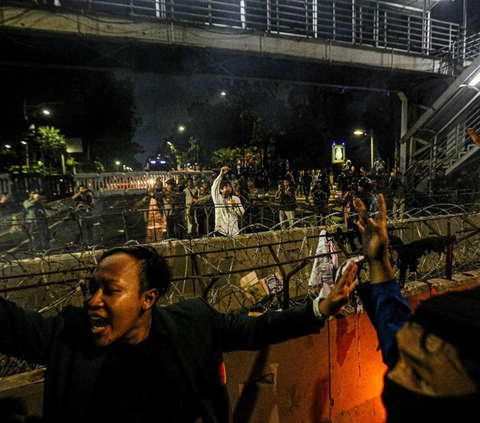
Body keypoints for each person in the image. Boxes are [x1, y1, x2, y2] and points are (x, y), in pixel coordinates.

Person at [0, 245, 359, 422]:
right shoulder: (68, 335)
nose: (93, 301)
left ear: (147, 298)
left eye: (110, 290)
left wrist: (320, 309)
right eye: (91, 288)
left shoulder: (193, 323)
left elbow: (257, 328)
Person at [355, 194, 480, 422]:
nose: (393, 373)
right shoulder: (434, 363)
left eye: (417, 373)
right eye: (402, 358)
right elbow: (392, 320)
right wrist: (379, 260)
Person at [212, 167, 244, 236]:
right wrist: (221, 175)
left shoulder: (235, 199)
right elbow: (214, 188)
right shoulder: (218, 198)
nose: (228, 188)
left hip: (234, 231)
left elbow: (242, 213)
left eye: (229, 186)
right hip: (221, 231)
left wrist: (235, 206)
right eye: (226, 187)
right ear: (220, 190)